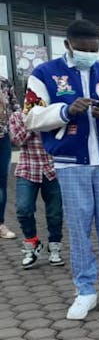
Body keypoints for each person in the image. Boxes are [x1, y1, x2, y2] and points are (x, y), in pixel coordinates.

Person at [25, 19, 99, 320]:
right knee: (79, 229)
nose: (90, 54)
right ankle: (85, 291)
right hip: (71, 164)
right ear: (68, 45)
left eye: (94, 49)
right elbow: (30, 117)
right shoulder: (45, 74)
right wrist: (64, 111)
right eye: (83, 49)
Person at [8, 109, 64, 268]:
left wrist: (45, 118)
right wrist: (32, 121)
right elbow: (18, 140)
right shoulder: (17, 116)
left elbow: (61, 137)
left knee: (55, 213)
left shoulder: (53, 112)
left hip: (52, 168)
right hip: (28, 168)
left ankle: (55, 246)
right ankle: (32, 244)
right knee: (23, 209)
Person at [0, 73, 19, 239]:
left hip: (2, 139)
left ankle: (0, 224)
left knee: (1, 182)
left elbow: (16, 108)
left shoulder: (4, 83)